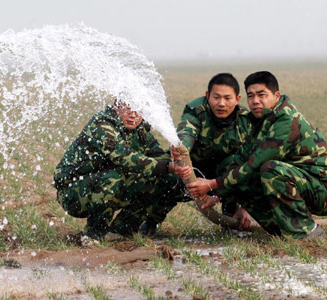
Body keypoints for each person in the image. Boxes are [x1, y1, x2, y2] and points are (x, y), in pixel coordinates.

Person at [188, 71, 327, 239]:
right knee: (236, 173)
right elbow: (240, 159)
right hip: (302, 185)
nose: (255, 101)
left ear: (276, 96)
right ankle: (283, 231)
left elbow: (253, 165)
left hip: (321, 190)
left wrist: (211, 184)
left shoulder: (287, 120)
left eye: (262, 95)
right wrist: (216, 196)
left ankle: (308, 232)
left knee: (271, 170)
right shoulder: (259, 121)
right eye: (251, 96)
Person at [53, 99, 188, 241]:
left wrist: (173, 158)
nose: (133, 115)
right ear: (116, 106)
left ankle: (122, 230)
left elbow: (156, 155)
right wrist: (168, 166)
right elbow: (123, 157)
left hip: (106, 185)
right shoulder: (101, 125)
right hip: (74, 192)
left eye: (139, 110)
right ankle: (94, 235)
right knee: (113, 176)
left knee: (164, 177)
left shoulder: (140, 130)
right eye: (128, 109)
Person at [172, 73, 252, 229]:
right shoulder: (196, 110)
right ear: (207, 96)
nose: (221, 103)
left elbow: (251, 163)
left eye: (227, 98)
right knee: (165, 177)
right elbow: (186, 131)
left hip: (224, 179)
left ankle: (233, 221)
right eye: (216, 97)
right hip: (193, 174)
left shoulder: (246, 121)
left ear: (237, 99)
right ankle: (150, 223)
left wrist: (247, 207)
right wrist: (180, 148)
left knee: (236, 166)